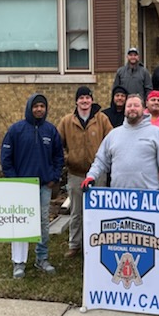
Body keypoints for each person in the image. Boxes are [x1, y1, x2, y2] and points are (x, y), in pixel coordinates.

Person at [1, 93, 64, 278]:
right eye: (35, 106)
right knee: (20, 223)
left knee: (43, 223)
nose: (39, 109)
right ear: (29, 107)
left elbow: (58, 157)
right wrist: (15, 180)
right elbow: (6, 159)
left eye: (42, 106)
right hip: (22, 186)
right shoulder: (16, 130)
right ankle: (19, 262)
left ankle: (41, 258)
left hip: (44, 186)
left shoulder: (50, 131)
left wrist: (53, 177)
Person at [56, 86, 113, 258]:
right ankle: (75, 245)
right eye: (81, 98)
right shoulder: (67, 121)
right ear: (76, 101)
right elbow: (58, 145)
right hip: (75, 174)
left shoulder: (102, 119)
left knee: (98, 212)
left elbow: (111, 142)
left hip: (97, 174)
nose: (85, 101)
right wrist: (68, 158)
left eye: (87, 98)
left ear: (92, 100)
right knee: (76, 212)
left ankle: (96, 244)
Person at [83, 94, 159, 190]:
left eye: (136, 106)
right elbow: (100, 161)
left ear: (144, 109)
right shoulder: (113, 134)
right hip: (119, 197)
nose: (132, 108)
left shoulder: (156, 133)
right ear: (125, 109)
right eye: (129, 106)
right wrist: (91, 176)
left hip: (148, 197)